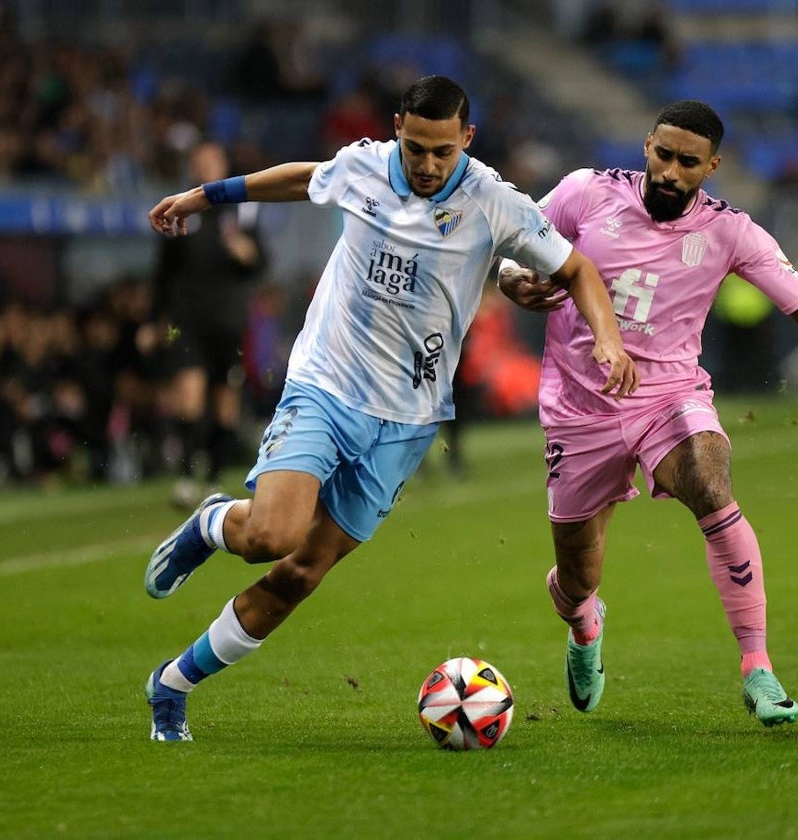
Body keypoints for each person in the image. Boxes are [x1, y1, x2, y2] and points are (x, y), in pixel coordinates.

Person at [141, 75, 638, 741]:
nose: (428, 165)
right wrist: (206, 196)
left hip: (406, 422)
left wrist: (607, 338)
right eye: (415, 149)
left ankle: (172, 684)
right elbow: (302, 179)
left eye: (443, 151)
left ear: (466, 138)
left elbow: (576, 268)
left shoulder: (493, 201)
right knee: (271, 537)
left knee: (301, 574)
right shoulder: (364, 166)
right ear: (398, 127)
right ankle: (211, 525)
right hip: (325, 384)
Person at [497, 99, 798, 727]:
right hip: (578, 406)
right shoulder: (585, 193)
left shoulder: (730, 230)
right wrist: (513, 280)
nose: (671, 171)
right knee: (578, 575)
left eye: (687, 162)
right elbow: (513, 249)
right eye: (663, 155)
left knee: (710, 477)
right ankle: (585, 623)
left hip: (671, 394)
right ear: (647, 146)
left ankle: (759, 667)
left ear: (711, 166)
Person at [152, 140, 267, 508]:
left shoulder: (241, 210)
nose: (205, 167)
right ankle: (186, 476)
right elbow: (163, 273)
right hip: (188, 321)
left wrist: (244, 252)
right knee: (189, 396)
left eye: (211, 160)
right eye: (198, 162)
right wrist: (155, 319)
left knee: (224, 403)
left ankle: (213, 475)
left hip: (230, 321)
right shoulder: (182, 208)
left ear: (223, 164)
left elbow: (261, 262)